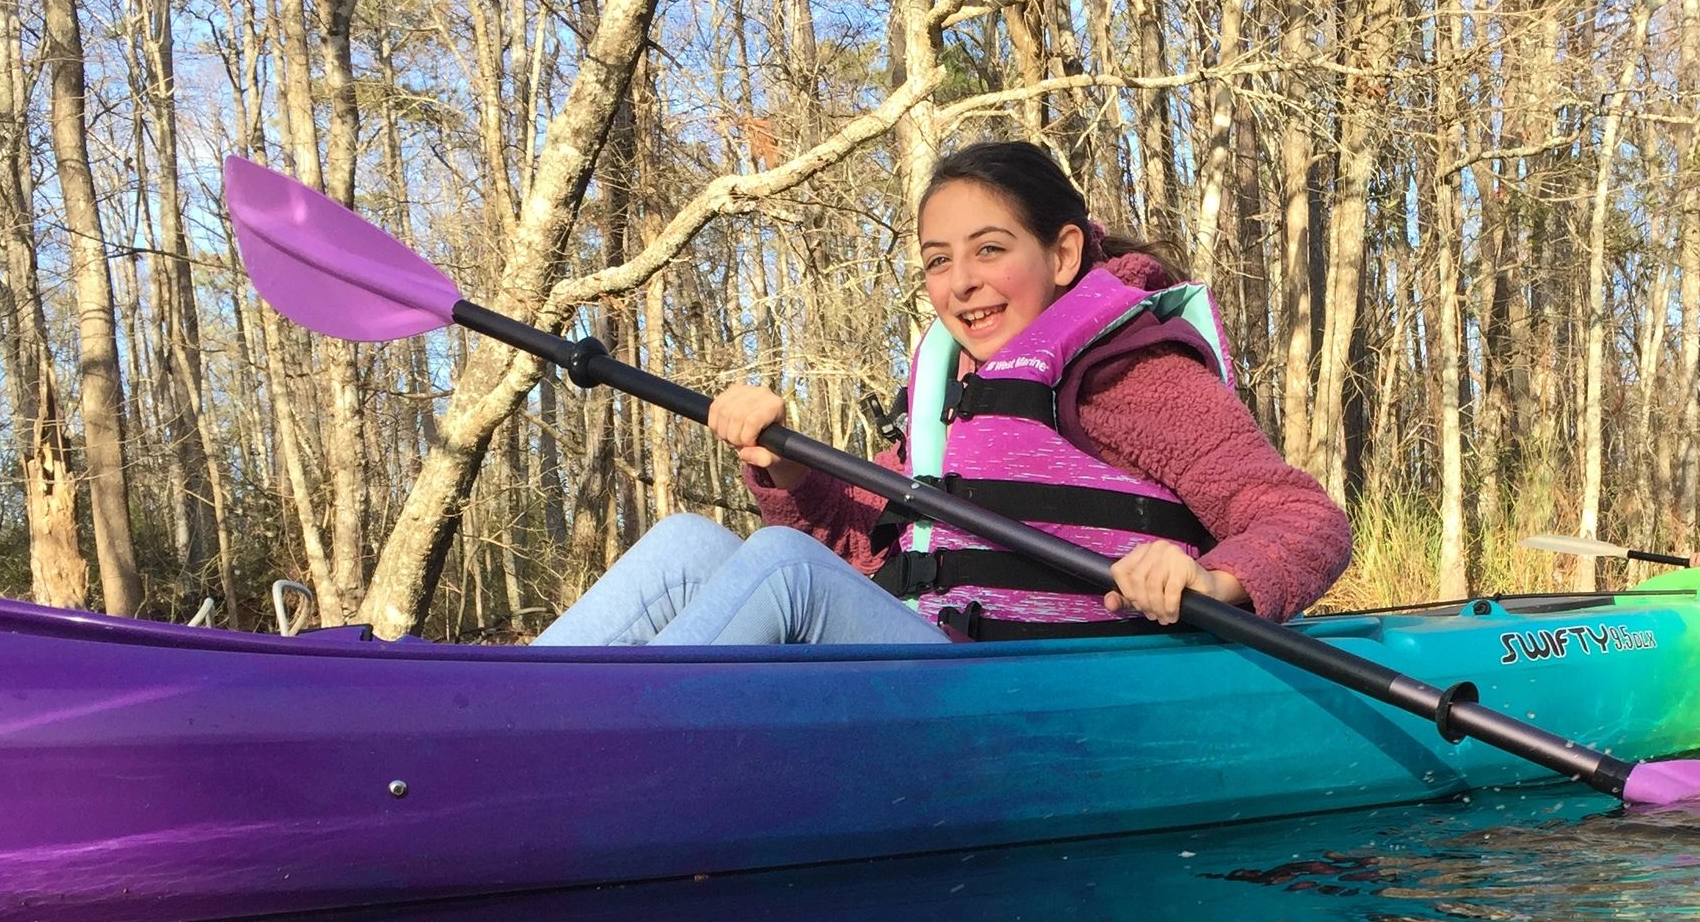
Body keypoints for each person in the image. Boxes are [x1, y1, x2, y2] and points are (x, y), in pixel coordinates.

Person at [538, 140, 1350, 647]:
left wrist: (1211, 581)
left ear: (1062, 254)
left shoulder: (1131, 374)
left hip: (1038, 687)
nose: (961, 285)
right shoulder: (951, 394)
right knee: (687, 544)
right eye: (936, 261)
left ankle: (601, 745)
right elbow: (862, 548)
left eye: (989, 250)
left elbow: (1302, 520)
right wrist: (784, 475)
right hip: (933, 660)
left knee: (781, 568)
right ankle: (502, 715)